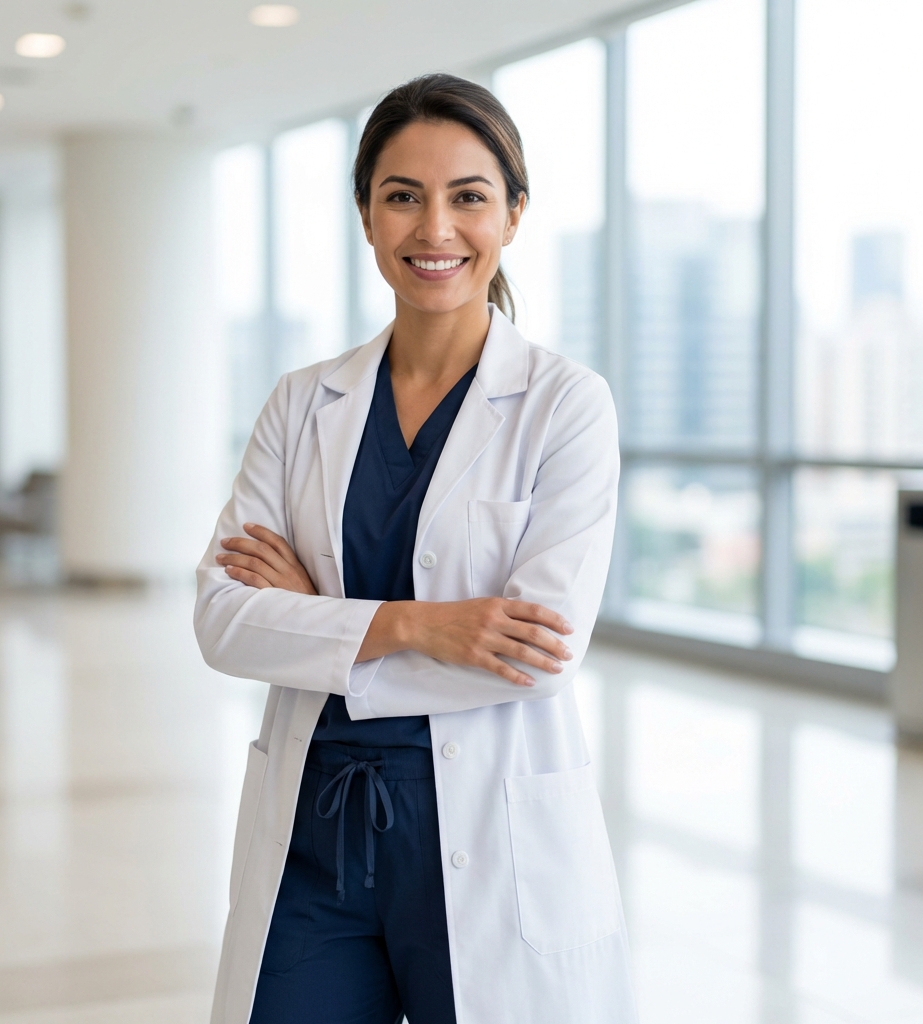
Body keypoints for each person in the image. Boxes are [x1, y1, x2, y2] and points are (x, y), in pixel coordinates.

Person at [195, 73, 637, 1024]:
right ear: (366, 215)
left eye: (468, 196)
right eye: (403, 196)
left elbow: (534, 655)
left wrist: (317, 621)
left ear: (513, 215)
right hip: (312, 840)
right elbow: (224, 621)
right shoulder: (302, 402)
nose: (435, 229)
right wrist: (416, 625)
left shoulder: (566, 406)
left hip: (488, 833)